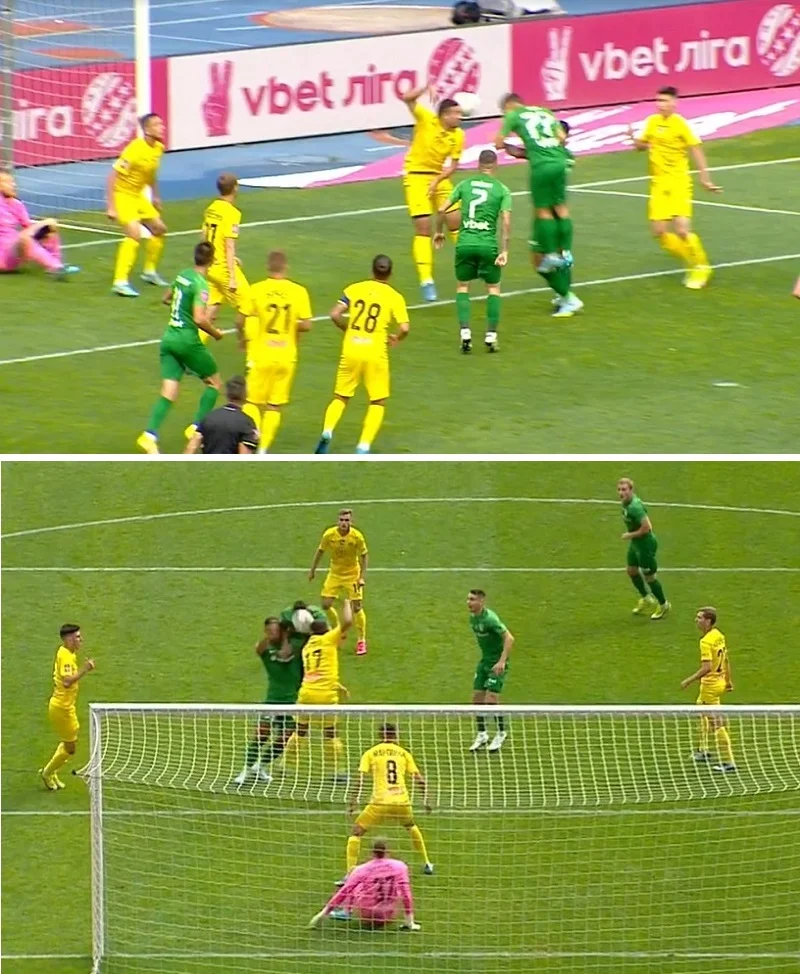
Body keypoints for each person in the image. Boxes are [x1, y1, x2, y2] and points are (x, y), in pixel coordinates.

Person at [495, 93, 582, 318]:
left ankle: (568, 298)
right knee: (558, 250)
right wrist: (525, 151)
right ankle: (564, 285)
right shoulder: (547, 118)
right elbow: (558, 139)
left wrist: (504, 143)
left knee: (539, 260)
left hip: (544, 220)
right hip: (559, 215)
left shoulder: (514, 115)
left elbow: (498, 143)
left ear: (507, 107)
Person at [314, 255, 409, 455]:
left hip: (351, 348)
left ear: (372, 270)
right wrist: (397, 338)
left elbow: (334, 314)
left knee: (341, 396)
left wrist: (347, 329)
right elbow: (404, 327)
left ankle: (327, 430)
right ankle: (363, 445)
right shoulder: (395, 296)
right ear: (390, 273)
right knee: (378, 401)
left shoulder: (354, 289)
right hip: (375, 351)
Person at [628, 86, 721, 290]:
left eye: (664, 101)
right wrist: (634, 139)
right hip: (658, 183)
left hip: (679, 181)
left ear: (674, 103)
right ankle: (691, 261)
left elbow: (696, 149)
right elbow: (641, 147)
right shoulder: (652, 122)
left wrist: (705, 177)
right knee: (659, 232)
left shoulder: (681, 124)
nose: (660, 104)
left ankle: (702, 266)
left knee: (682, 229)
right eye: (658, 101)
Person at [136, 242, 224, 454]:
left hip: (169, 338)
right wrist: (215, 333)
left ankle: (149, 435)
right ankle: (196, 428)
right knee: (214, 383)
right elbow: (199, 319)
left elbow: (166, 297)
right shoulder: (201, 285)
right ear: (211, 261)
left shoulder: (183, 275)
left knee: (169, 392)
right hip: (186, 340)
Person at [434, 149, 511, 353]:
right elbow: (506, 221)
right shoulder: (502, 189)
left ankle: (465, 334)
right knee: (493, 289)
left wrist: (439, 232)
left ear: (479, 165)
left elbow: (441, 209)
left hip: (465, 243)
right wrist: (504, 250)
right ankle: (491, 336)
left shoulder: (465, 184)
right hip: (488, 245)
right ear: (495, 165)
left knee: (462, 287)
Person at [244, 250, 313, 453]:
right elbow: (307, 325)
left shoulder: (256, 289)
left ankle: (253, 439)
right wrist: (292, 327)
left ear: (267, 267)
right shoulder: (299, 291)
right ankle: (263, 449)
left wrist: (241, 338)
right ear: (286, 267)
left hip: (262, 353)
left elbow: (241, 318)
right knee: (274, 406)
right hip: (286, 355)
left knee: (252, 402)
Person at [401, 84, 465, 301]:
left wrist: (437, 180)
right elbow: (407, 98)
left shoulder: (458, 135)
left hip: (439, 177)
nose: (460, 117)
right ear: (444, 115)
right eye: (456, 113)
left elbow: (453, 166)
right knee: (424, 227)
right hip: (416, 177)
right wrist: (425, 87)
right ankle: (426, 280)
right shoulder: (426, 119)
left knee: (455, 220)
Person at [345, 723, 433, 880]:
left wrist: (353, 801)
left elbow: (360, 779)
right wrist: (427, 800)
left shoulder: (370, 753)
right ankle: (427, 863)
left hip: (379, 803)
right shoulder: (404, 753)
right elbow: (420, 780)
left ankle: (350, 873)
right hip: (402, 802)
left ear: (380, 735)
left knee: (356, 832)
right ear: (395, 735)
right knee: (411, 826)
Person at [282, 600, 352, 777]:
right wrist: (346, 603)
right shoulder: (328, 639)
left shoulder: (307, 647)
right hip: (325, 697)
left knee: (300, 731)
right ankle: (337, 771)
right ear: (326, 631)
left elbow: (317, 672)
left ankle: (285, 766)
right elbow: (348, 622)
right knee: (330, 734)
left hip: (306, 694)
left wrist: (338, 685)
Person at [106, 112, 167, 297]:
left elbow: (151, 174)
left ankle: (149, 272)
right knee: (134, 234)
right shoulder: (134, 150)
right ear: (147, 130)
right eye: (157, 125)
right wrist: (111, 206)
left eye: (161, 124)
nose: (161, 128)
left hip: (138, 196)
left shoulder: (158, 148)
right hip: (123, 195)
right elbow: (112, 176)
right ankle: (120, 282)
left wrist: (155, 196)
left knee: (159, 229)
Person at [308, 839, 420, 930]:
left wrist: (323, 913)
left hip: (367, 914)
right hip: (389, 914)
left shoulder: (363, 869)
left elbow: (345, 891)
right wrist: (409, 921)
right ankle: (407, 921)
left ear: (372, 852)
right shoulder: (400, 866)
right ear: (388, 851)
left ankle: (346, 911)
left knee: (353, 881)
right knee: (399, 887)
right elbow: (406, 894)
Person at [39, 624, 95, 791]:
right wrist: (85, 669)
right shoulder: (65, 656)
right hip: (62, 709)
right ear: (69, 639)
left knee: (70, 741)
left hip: (66, 707)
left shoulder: (67, 653)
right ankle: (47, 772)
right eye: (77, 637)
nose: (81, 639)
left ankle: (52, 771)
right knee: (71, 748)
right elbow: (67, 681)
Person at [680, 607, 736, 773]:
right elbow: (726, 660)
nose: (696, 620)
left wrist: (688, 681)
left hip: (710, 686)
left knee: (716, 722)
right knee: (701, 710)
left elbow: (707, 668)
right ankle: (703, 750)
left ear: (708, 621)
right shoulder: (719, 635)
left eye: (699, 618)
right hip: (719, 682)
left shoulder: (705, 642)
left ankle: (728, 761)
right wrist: (728, 680)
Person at [308, 509, 368, 653]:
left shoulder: (357, 536)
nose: (343, 523)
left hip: (352, 574)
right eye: (341, 520)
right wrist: (312, 570)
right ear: (337, 521)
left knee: (357, 607)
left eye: (346, 520)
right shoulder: (329, 535)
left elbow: (364, 555)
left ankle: (361, 640)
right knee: (325, 604)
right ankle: (338, 629)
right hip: (335, 573)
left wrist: (361, 577)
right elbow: (320, 551)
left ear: (351, 522)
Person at [202, 172, 253, 336]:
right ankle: (244, 341)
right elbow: (229, 245)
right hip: (222, 268)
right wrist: (232, 277)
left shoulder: (211, 208)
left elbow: (204, 237)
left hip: (209, 266)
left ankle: (194, 345)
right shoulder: (232, 213)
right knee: (248, 303)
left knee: (211, 310)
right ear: (235, 188)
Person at [0, 172, 78, 278]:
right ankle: (55, 267)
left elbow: (28, 226)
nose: (14, 185)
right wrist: (44, 223)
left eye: (13, 182)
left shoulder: (17, 204)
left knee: (49, 229)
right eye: (8, 182)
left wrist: (44, 227)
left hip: (13, 253)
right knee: (26, 236)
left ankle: (56, 265)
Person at [467, 589, 514, 752]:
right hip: (484, 662)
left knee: (491, 700)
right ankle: (482, 734)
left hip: (496, 663)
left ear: (481, 601)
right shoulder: (473, 618)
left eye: (473, 599)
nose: (469, 603)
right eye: (468, 599)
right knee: (477, 699)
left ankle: (501, 733)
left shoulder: (490, 619)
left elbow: (509, 638)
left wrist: (502, 661)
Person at [617, 477, 670, 620]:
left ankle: (663, 604)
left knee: (649, 577)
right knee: (631, 570)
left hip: (645, 545)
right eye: (619, 490)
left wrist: (629, 535)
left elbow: (647, 527)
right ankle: (647, 598)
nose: (621, 493)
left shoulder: (635, 507)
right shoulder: (626, 504)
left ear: (631, 490)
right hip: (636, 544)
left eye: (624, 490)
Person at [184, 375, 258, 454]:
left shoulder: (208, 417)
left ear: (227, 394)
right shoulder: (246, 423)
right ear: (245, 395)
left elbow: (192, 447)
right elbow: (244, 455)